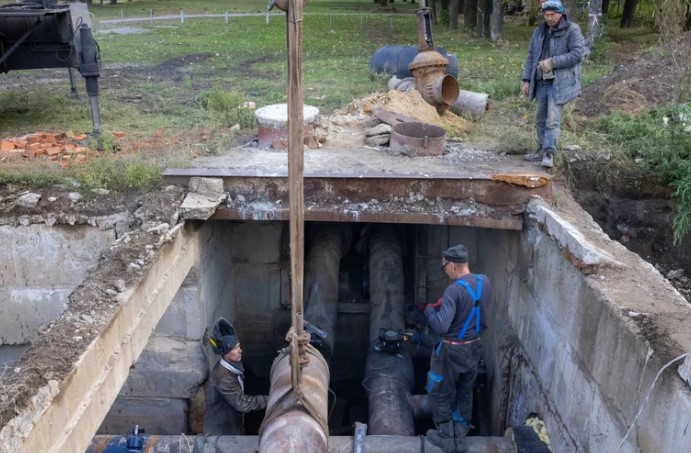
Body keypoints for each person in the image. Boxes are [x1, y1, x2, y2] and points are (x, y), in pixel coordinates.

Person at [419, 244, 491, 453]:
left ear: (452, 265)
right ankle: (460, 436)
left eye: (444, 267)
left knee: (439, 391)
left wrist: (429, 311)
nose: (445, 271)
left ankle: (445, 439)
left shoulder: (453, 290)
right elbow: (471, 307)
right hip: (474, 348)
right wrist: (451, 306)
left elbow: (441, 326)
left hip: (451, 352)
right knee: (465, 390)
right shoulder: (483, 281)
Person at [521, 0, 585, 168]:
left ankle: (549, 153)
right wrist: (527, 79)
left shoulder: (572, 30)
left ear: (561, 14)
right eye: (546, 15)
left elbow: (578, 54)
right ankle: (541, 150)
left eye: (553, 15)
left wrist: (553, 62)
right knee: (540, 118)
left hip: (560, 83)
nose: (549, 18)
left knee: (552, 120)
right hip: (541, 81)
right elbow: (531, 56)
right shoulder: (539, 31)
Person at [204, 318, 268, 435]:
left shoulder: (233, 366)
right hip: (220, 432)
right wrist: (267, 400)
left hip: (231, 423)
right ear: (226, 352)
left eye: (239, 346)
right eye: (235, 348)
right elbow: (241, 404)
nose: (240, 350)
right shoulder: (223, 377)